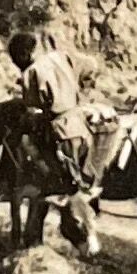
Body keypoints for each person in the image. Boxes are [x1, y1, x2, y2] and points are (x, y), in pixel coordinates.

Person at [7, 29, 89, 191]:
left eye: (16, 60)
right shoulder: (58, 57)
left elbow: (32, 109)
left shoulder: (31, 72)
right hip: (79, 122)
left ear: (23, 54)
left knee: (35, 158)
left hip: (61, 131)